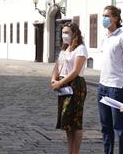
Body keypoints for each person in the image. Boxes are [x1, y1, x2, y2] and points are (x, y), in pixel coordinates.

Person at [98, 5, 123, 154]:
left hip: (116, 87)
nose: (104, 19)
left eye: (107, 16)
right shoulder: (105, 37)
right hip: (102, 86)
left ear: (115, 18)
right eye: (103, 16)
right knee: (105, 125)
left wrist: (122, 69)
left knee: (119, 125)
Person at [51, 22, 88, 154]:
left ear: (74, 34)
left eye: (67, 32)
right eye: (63, 32)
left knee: (75, 120)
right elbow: (57, 65)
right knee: (67, 120)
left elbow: (75, 71)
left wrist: (60, 84)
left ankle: (75, 151)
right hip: (63, 84)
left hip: (75, 84)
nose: (64, 35)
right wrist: (54, 79)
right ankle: (69, 150)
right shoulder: (65, 49)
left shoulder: (80, 49)